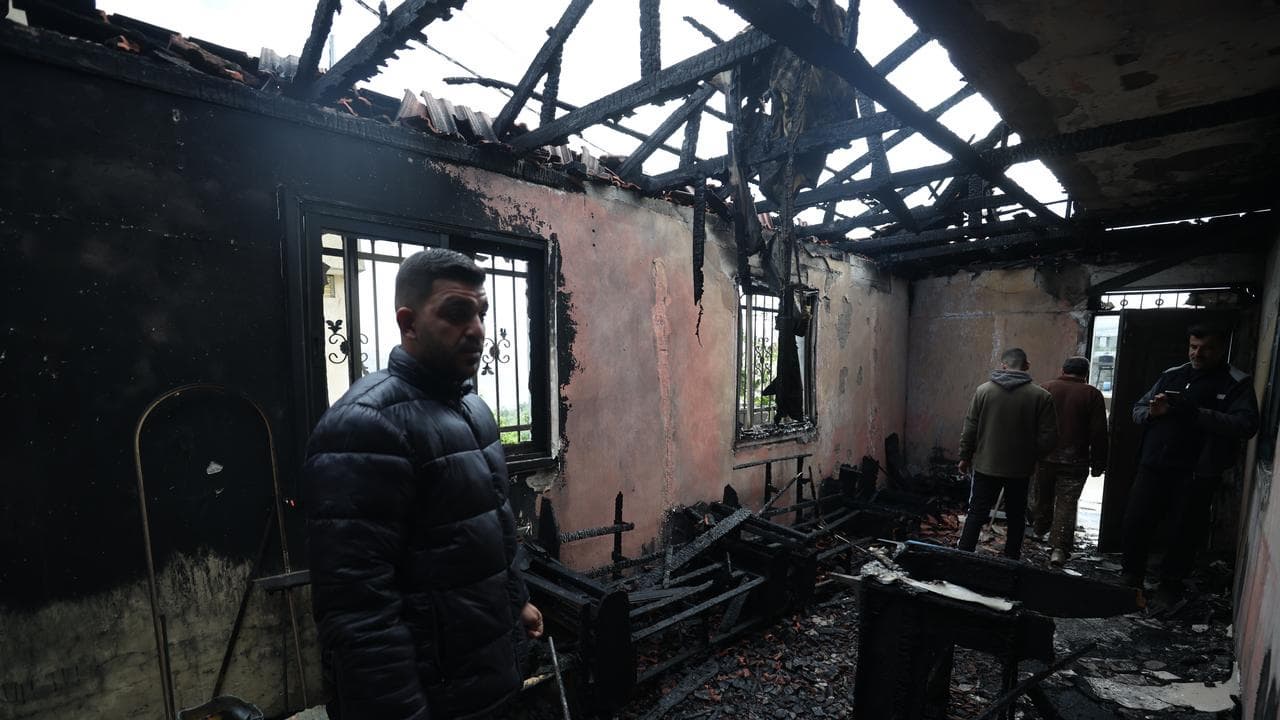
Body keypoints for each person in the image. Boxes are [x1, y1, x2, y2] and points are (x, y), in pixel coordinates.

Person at [304, 248, 543, 719]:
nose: (476, 329)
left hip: (485, 680)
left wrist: (518, 603)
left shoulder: (474, 411)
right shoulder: (364, 426)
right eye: (456, 313)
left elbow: (494, 532)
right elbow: (359, 613)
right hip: (430, 698)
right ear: (408, 323)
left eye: (481, 312)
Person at [1122, 324, 1258, 597]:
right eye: (1194, 347)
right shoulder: (1172, 375)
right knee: (1136, 520)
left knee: (1183, 530)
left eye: (1207, 348)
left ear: (1222, 349)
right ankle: (1130, 577)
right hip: (1154, 464)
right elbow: (1137, 409)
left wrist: (1196, 413)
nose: (1198, 353)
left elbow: (1246, 425)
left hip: (1197, 471)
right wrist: (1152, 413)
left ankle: (1170, 584)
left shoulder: (1236, 382)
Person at [957, 347, 1058, 560]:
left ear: (1003, 365)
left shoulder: (983, 391)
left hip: (986, 464)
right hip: (1020, 469)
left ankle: (963, 554)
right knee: (1016, 515)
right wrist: (1032, 456)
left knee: (977, 512)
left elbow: (970, 427)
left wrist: (965, 456)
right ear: (1027, 366)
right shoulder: (1041, 396)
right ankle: (1011, 558)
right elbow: (1049, 437)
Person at [1033, 356, 1109, 566]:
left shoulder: (1044, 388)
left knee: (1042, 495)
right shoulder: (1092, 394)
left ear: (1062, 369)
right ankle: (1058, 548)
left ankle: (1040, 529)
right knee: (1067, 503)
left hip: (1044, 457)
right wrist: (1099, 463)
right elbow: (1099, 433)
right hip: (1075, 459)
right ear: (1086, 373)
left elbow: (1033, 423)